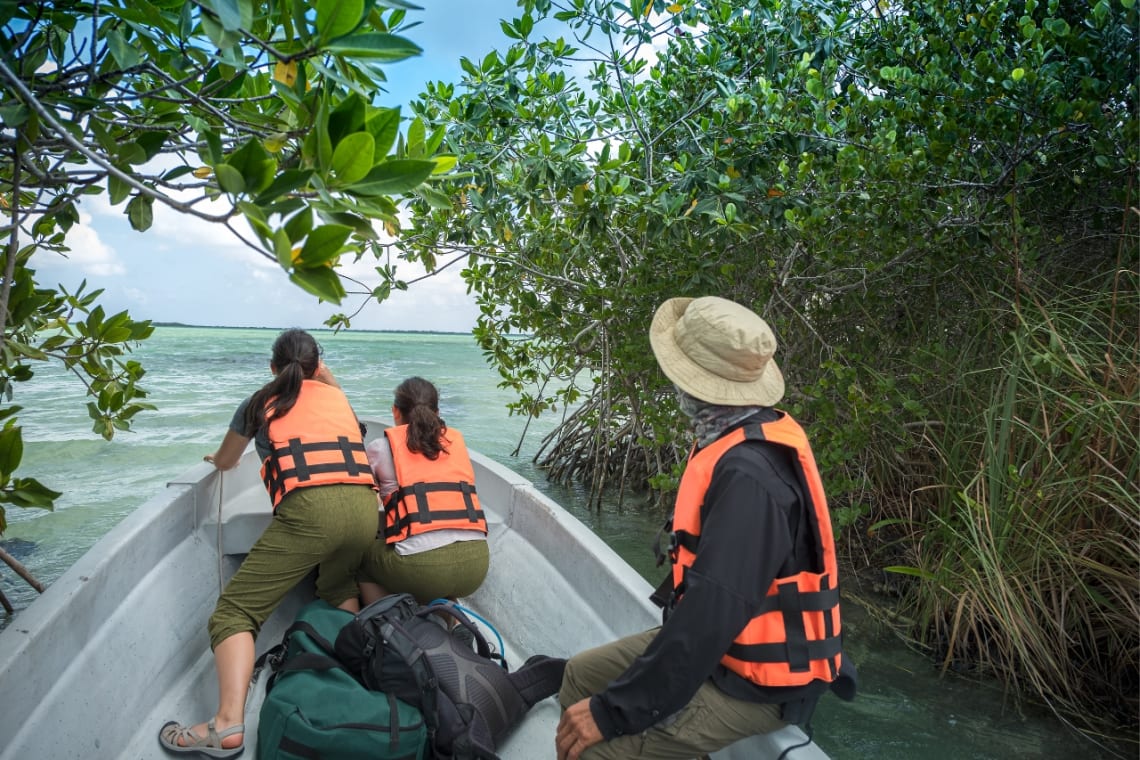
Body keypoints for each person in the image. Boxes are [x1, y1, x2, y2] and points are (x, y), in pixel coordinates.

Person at [555, 296, 857, 760]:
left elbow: (713, 614)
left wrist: (612, 712)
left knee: (595, 750)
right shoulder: (732, 435)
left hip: (756, 684)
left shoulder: (750, 478)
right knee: (578, 674)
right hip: (724, 651)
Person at [159, 328, 379, 759]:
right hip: (364, 511)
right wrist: (327, 378)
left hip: (312, 514)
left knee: (235, 612)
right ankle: (354, 683)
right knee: (338, 588)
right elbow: (353, 432)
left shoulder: (260, 402)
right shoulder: (338, 400)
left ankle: (225, 727)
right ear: (320, 366)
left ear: (273, 367)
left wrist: (215, 461)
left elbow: (227, 460)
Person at [357, 376, 490, 606]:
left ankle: (390, 627)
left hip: (423, 569)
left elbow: (364, 498)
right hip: (477, 565)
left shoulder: (380, 448)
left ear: (395, 411)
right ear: (437, 412)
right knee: (439, 573)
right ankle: (454, 621)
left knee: (360, 561)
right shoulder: (455, 443)